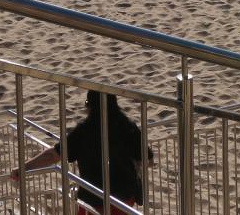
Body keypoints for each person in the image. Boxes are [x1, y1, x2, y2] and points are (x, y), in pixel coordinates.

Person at [13, 90, 145, 215]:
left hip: (93, 198)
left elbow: (54, 155)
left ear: (90, 106)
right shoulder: (127, 126)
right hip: (124, 197)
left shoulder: (84, 131)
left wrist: (24, 168)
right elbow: (146, 158)